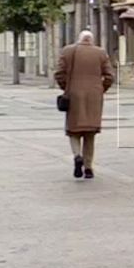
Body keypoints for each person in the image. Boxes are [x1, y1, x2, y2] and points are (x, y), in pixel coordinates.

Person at [55, 29, 115, 179]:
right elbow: (109, 76)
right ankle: (88, 168)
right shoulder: (101, 53)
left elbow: (59, 73)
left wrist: (66, 87)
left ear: (79, 39)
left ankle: (77, 156)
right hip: (94, 96)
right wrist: (101, 89)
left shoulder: (68, 51)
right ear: (91, 40)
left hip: (74, 95)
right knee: (90, 132)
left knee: (73, 130)